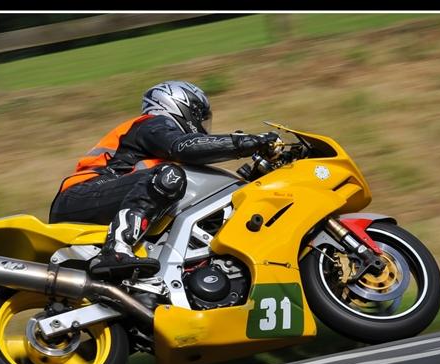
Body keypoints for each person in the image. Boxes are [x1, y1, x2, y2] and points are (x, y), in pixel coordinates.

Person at [49, 80, 276, 280]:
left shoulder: (154, 139)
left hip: (98, 198)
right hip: (82, 194)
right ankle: (117, 249)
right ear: (181, 106)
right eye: (199, 117)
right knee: (168, 176)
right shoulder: (151, 123)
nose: (202, 126)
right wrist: (246, 142)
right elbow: (183, 147)